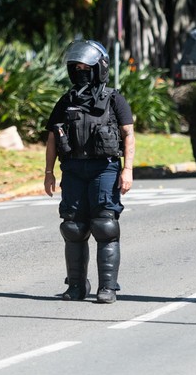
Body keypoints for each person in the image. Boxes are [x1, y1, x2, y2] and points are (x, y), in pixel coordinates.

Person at [44, 40, 136, 304]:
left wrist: (127, 170)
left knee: (105, 225)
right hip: (72, 169)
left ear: (99, 68)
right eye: (77, 67)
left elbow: (128, 133)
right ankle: (76, 285)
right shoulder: (66, 101)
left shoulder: (114, 99)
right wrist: (48, 172)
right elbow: (52, 138)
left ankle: (107, 287)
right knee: (72, 227)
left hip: (104, 169)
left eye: (87, 66)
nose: (82, 71)